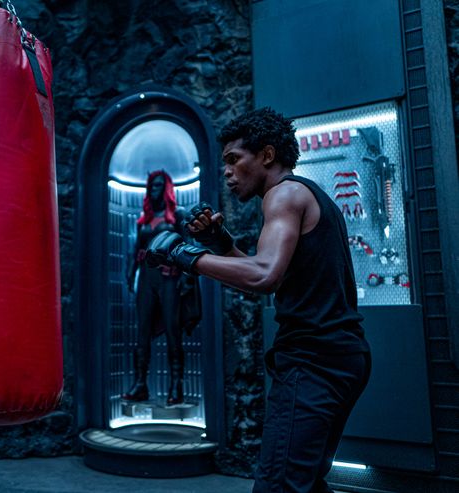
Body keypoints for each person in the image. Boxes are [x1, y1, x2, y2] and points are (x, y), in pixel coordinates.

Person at [145, 107, 371, 493]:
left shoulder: (283, 195)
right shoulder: (306, 195)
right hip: (341, 357)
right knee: (305, 481)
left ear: (266, 155)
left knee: (278, 486)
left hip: (315, 362)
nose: (227, 172)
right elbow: (263, 278)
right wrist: (220, 244)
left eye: (234, 160)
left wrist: (185, 255)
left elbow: (264, 276)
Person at [123, 170, 193, 406]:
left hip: (169, 277)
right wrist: (131, 271)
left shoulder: (178, 215)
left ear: (166, 188)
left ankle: (176, 385)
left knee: (173, 330)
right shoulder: (145, 218)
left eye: (158, 185)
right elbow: (137, 249)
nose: (153, 190)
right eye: (151, 185)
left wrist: (186, 277)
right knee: (142, 330)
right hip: (146, 278)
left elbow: (188, 247)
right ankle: (140, 383)